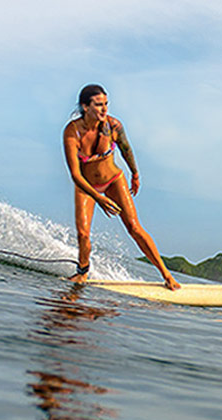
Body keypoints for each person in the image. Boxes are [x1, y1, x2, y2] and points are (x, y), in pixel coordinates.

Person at [63, 84, 180, 289]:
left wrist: (135, 174)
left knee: (134, 227)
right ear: (85, 106)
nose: (104, 109)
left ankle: (167, 276)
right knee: (83, 233)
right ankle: (82, 272)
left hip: (113, 180)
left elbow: (126, 149)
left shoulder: (113, 126)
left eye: (106, 104)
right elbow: (75, 174)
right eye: (98, 105)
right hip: (86, 185)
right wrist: (98, 199)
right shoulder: (72, 132)